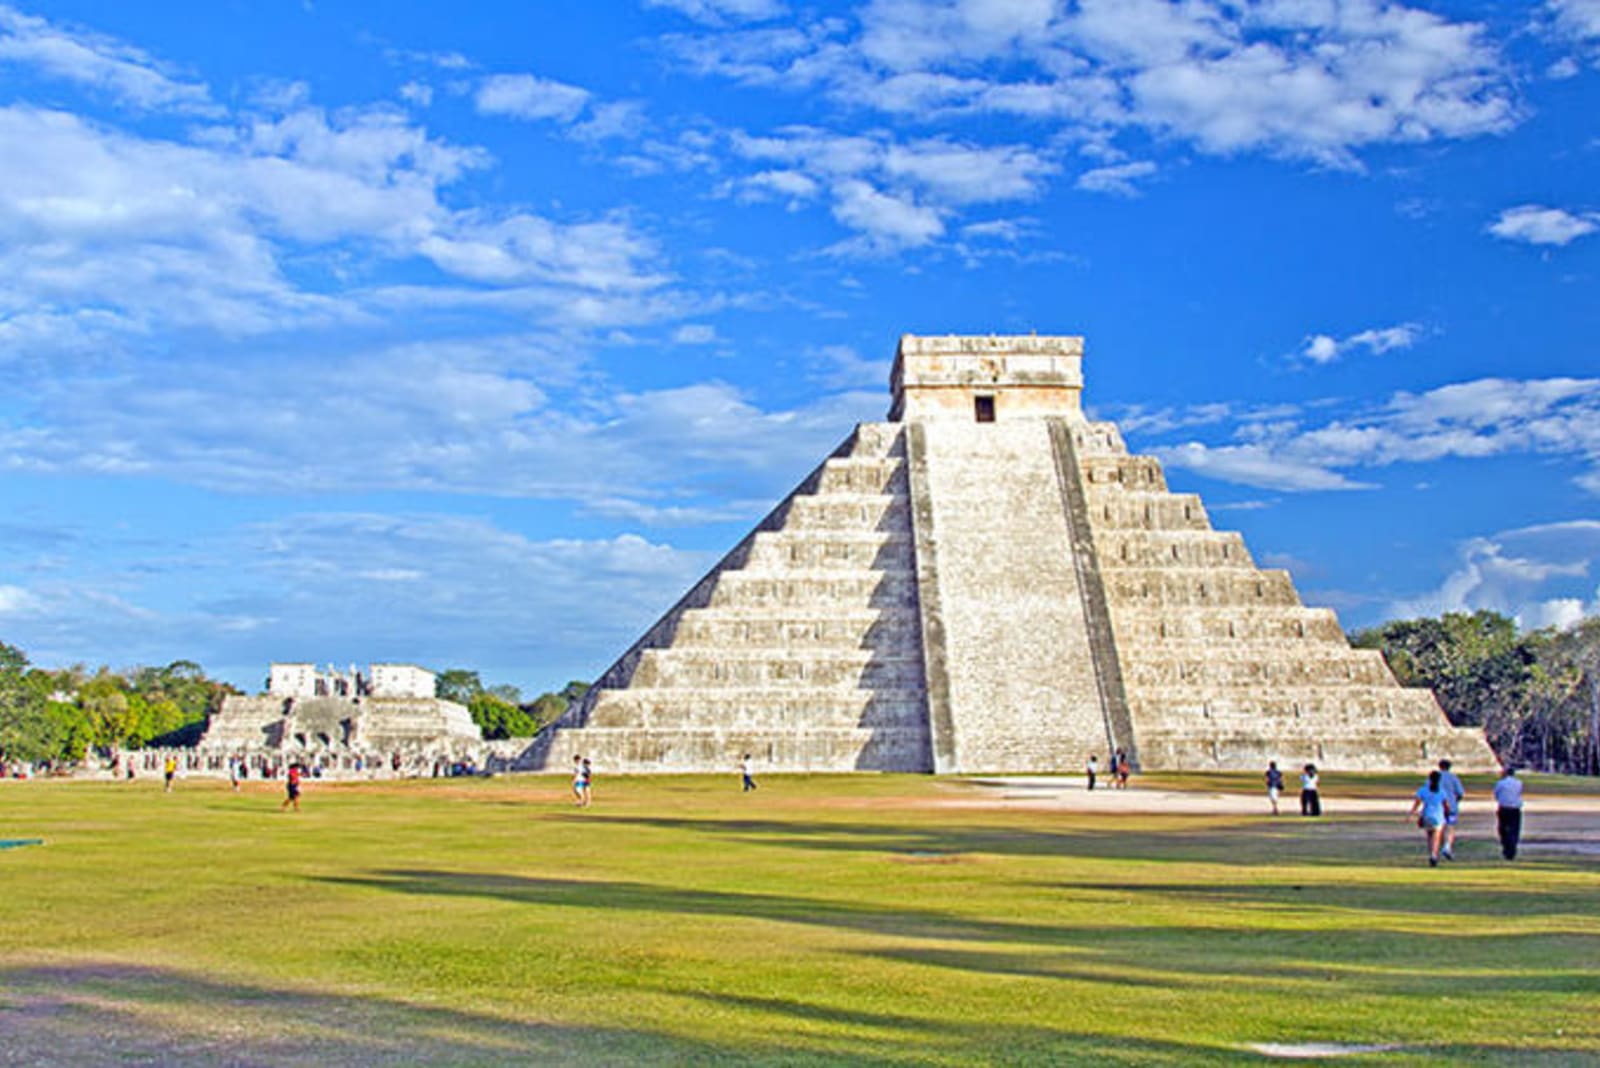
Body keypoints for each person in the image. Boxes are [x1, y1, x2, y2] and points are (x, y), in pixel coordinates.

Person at [1409, 769, 1453, 867]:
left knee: (1429, 837)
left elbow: (1417, 803)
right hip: (1438, 816)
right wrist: (1448, 813)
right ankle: (1434, 855)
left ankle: (1431, 854)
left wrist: (1412, 814)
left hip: (1426, 815)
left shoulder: (1423, 790)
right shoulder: (1441, 791)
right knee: (1436, 838)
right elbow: (1446, 805)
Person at [1493, 765, 1524, 860]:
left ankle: (1506, 846)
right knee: (1514, 829)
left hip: (1504, 808)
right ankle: (1512, 847)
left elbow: (1496, 795)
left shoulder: (1500, 783)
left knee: (1502, 828)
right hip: (1515, 808)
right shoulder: (1519, 783)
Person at [1437, 759, 1465, 860]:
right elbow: (1460, 793)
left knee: (1438, 827)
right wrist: (1455, 801)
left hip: (1437, 806)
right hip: (1451, 807)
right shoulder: (1453, 778)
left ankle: (1436, 848)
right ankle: (1447, 847)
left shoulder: (1435, 777)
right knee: (1450, 827)